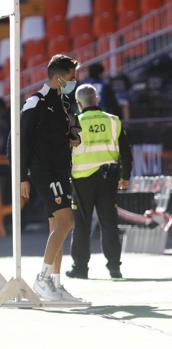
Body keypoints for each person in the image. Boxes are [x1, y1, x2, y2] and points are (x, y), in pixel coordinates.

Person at [20, 54, 81, 301]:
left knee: (57, 225)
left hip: (61, 169)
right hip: (45, 170)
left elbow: (71, 129)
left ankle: (55, 284)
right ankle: (43, 279)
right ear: (58, 77)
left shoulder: (64, 102)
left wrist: (74, 136)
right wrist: (22, 175)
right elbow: (20, 140)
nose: (74, 81)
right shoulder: (36, 102)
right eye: (71, 77)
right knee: (67, 221)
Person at [66, 84, 132, 280]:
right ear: (97, 100)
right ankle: (114, 268)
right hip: (108, 178)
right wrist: (125, 176)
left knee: (82, 224)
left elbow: (65, 152)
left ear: (79, 103)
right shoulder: (113, 121)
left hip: (81, 180)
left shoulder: (74, 122)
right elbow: (126, 151)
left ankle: (80, 268)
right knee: (109, 223)